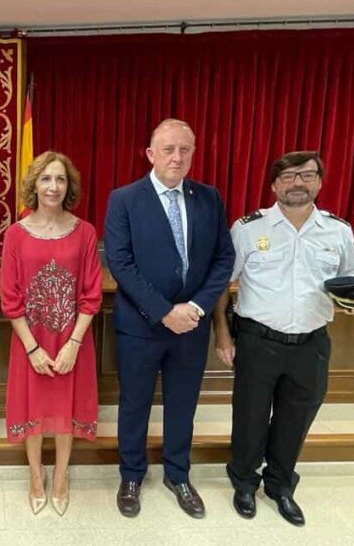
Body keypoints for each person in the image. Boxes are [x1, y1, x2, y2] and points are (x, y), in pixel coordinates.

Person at [213, 151, 354, 526]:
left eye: (307, 175)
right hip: (257, 340)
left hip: (311, 344)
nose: (298, 182)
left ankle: (281, 485)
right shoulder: (248, 228)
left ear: (319, 181)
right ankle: (245, 483)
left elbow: (353, 281)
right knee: (249, 416)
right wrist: (222, 335)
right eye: (289, 176)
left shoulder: (338, 231)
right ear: (274, 185)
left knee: (295, 419)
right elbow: (222, 285)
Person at [103, 118, 235, 519]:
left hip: (191, 327)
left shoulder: (208, 198)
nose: (177, 157)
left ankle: (178, 475)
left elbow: (223, 259)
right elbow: (120, 262)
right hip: (141, 326)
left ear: (193, 153)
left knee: (182, 404)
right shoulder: (124, 199)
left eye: (185, 150)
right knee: (135, 403)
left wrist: (194, 309)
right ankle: (131, 475)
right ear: (150, 154)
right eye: (168, 150)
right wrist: (163, 311)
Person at [1, 151, 102, 516]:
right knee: (34, 410)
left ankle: (60, 476)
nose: (53, 186)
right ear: (34, 184)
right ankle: (35, 476)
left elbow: (92, 294)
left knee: (65, 409)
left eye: (60, 179)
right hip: (30, 341)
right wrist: (32, 349)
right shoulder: (15, 233)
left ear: (68, 186)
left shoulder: (85, 231)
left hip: (72, 339)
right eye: (46, 178)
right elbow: (10, 298)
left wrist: (74, 343)